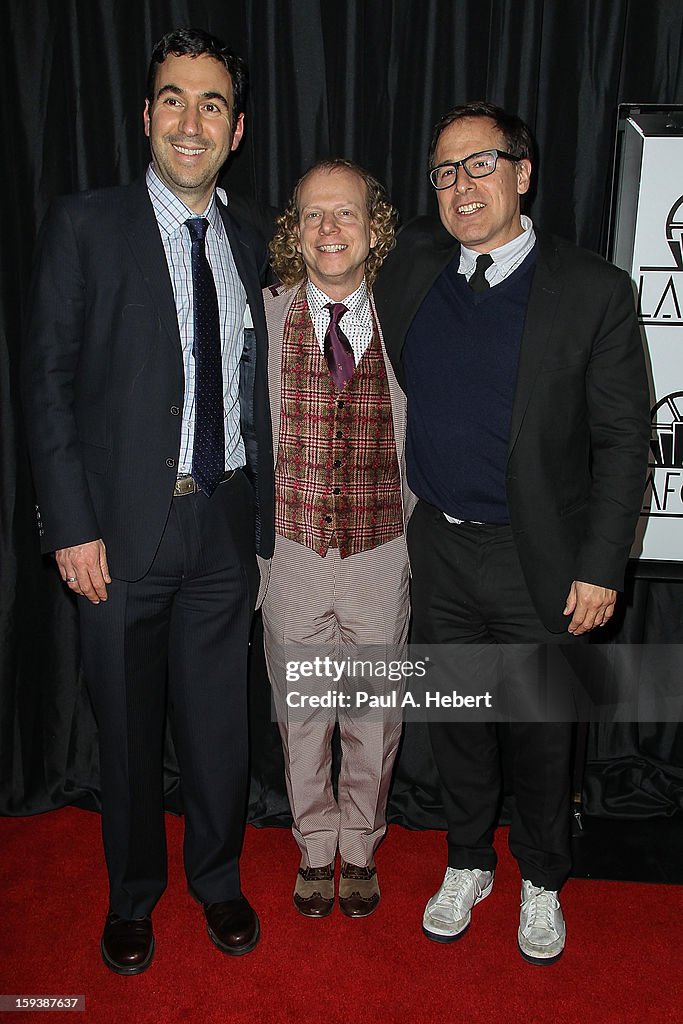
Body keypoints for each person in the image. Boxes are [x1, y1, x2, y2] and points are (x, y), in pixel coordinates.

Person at [21, 28, 274, 974]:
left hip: (223, 518)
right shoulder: (84, 225)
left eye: (212, 103)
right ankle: (132, 896)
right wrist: (70, 525)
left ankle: (216, 880)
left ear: (237, 128)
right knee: (124, 727)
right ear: (146, 114)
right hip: (119, 530)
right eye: (174, 98)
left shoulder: (251, 238)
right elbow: (45, 384)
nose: (191, 119)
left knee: (217, 724)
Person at [374, 102, 650, 962]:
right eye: (445, 171)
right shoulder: (414, 264)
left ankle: (540, 877)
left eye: (481, 164)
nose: (461, 186)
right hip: (442, 548)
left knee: (539, 733)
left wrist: (603, 564)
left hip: (542, 556)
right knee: (455, 723)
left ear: (522, 173)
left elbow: (622, 439)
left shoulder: (592, 289)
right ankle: (466, 861)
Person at [261, 160, 415, 918]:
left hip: (381, 549)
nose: (329, 229)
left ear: (372, 226)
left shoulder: (409, 315)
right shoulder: (262, 316)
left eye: (345, 214)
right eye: (313, 215)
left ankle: (360, 846)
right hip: (289, 550)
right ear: (295, 229)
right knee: (302, 717)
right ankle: (313, 848)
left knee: (373, 718)